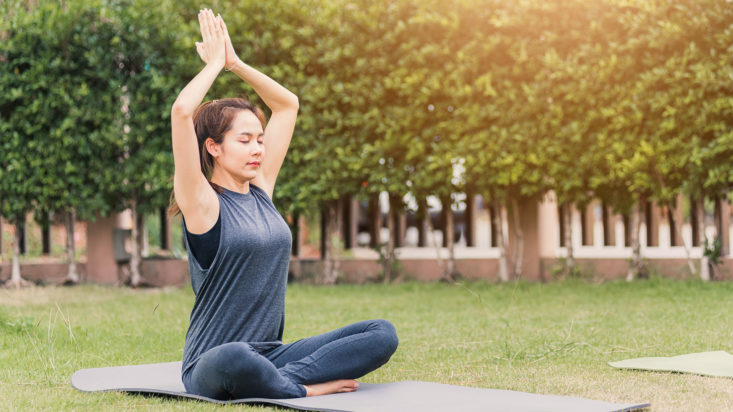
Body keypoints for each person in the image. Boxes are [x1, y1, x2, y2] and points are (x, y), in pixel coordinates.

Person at [167, 9, 399, 400]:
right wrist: (213, 66)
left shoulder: (260, 188)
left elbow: (287, 104)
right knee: (239, 357)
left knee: (381, 334)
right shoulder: (202, 201)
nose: (258, 148)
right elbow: (182, 111)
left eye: (260, 139)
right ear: (213, 148)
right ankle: (302, 389)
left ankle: (282, 380)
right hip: (213, 360)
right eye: (245, 140)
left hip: (273, 355)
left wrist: (234, 63)